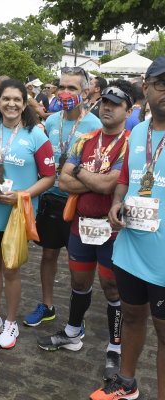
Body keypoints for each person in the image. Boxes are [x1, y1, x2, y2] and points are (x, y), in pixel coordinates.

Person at [37, 81, 134, 383]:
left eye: (115, 104)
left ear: (127, 111)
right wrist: (92, 176)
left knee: (112, 288)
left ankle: (114, 346)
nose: (107, 107)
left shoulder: (131, 142)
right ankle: (73, 331)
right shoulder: (86, 139)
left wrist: (81, 173)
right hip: (80, 224)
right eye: (104, 101)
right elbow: (63, 181)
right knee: (79, 281)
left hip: (112, 228)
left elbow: (111, 186)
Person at [90, 56, 165, 400]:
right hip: (131, 246)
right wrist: (117, 203)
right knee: (133, 317)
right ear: (146, 88)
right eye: (162, 84)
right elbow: (124, 179)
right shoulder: (137, 132)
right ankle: (127, 384)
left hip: (162, 257)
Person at [0, 79, 56, 349]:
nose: (11, 104)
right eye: (5, 99)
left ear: (24, 103)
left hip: (17, 216)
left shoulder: (36, 135)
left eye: (17, 99)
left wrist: (23, 195)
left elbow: (50, 177)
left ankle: (10, 322)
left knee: (11, 270)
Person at [23, 67, 102, 328]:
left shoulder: (95, 125)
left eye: (73, 88)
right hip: (50, 200)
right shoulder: (52, 121)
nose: (66, 93)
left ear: (86, 91)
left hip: (77, 203)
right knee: (48, 256)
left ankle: (75, 315)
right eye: (62, 87)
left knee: (78, 264)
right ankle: (47, 305)